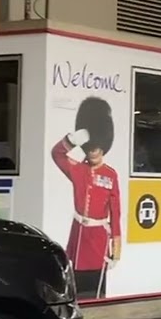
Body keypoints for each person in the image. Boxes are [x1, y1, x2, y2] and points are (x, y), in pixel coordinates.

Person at [50, 97, 121, 299]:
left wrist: (116, 247)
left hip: (99, 238)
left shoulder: (110, 174)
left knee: (97, 287)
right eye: (91, 147)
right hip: (80, 235)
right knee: (78, 286)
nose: (94, 150)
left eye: (98, 146)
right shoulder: (78, 170)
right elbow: (57, 154)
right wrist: (72, 140)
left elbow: (116, 212)